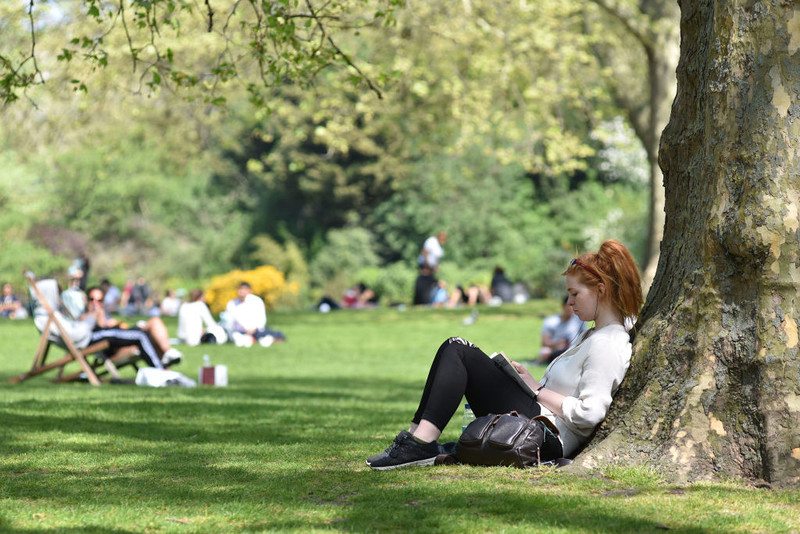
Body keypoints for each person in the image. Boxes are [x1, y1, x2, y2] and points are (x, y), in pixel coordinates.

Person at [366, 239, 643, 470]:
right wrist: (526, 381)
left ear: (601, 290)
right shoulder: (592, 335)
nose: (569, 303)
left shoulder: (608, 342)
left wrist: (536, 390)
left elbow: (590, 413)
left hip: (546, 436)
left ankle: (420, 444)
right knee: (454, 348)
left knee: (459, 350)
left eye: (575, 294)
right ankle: (414, 440)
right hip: (539, 418)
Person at [83, 286, 184, 368]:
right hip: (113, 348)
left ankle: (168, 353)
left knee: (155, 322)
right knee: (142, 335)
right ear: (86, 300)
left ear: (103, 302)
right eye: (92, 299)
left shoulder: (103, 313)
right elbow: (99, 327)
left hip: (122, 338)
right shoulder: (84, 316)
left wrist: (116, 324)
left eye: (99, 300)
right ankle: (161, 370)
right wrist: (98, 314)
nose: (95, 303)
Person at [224, 282, 286, 347]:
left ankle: (260, 339)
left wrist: (254, 328)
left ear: (250, 291)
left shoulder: (257, 301)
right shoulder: (232, 304)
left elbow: (261, 318)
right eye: (240, 289)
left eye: (244, 289)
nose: (241, 291)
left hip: (256, 330)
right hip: (240, 331)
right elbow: (230, 320)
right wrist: (244, 329)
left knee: (276, 334)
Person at [536, 295, 588, 364]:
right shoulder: (551, 321)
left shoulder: (580, 321)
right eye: (569, 306)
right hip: (555, 350)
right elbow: (544, 342)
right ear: (563, 306)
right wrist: (556, 344)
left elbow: (585, 338)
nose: (571, 308)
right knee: (545, 352)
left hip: (573, 349)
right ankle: (538, 363)